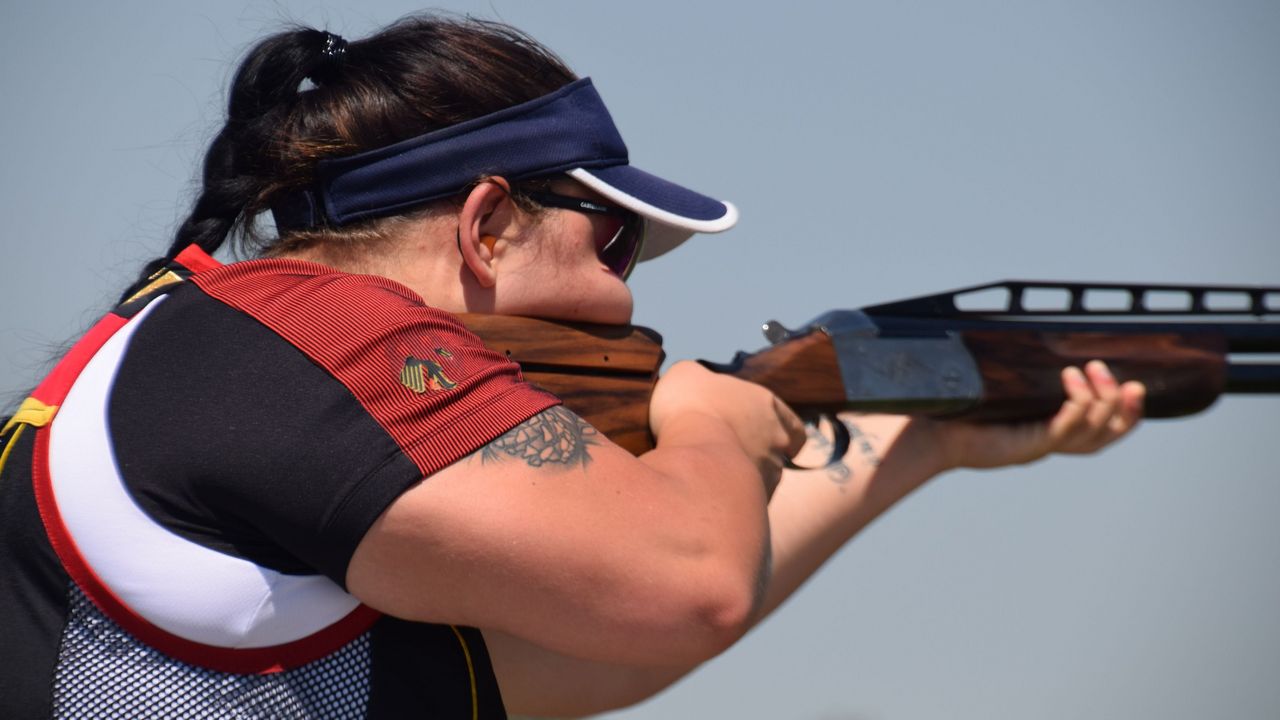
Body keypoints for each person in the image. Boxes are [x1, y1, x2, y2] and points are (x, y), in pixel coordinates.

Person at [0, 14, 1143, 719]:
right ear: (487, 225)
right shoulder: (331, 333)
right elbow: (680, 587)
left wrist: (920, 439)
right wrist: (707, 420)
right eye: (616, 238)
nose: (626, 289)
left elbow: (572, 661)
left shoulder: (233, 342)